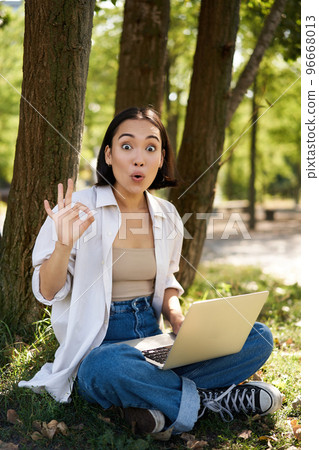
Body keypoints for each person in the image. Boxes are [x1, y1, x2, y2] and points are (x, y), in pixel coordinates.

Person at [19, 106, 282, 435]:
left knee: (257, 336)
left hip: (152, 340)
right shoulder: (76, 207)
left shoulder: (168, 215)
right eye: (127, 146)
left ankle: (155, 402)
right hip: (100, 346)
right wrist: (62, 244)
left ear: (161, 159)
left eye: (151, 147)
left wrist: (176, 317)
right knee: (105, 369)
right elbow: (46, 292)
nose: (138, 158)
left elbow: (167, 281)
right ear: (109, 155)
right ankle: (209, 401)